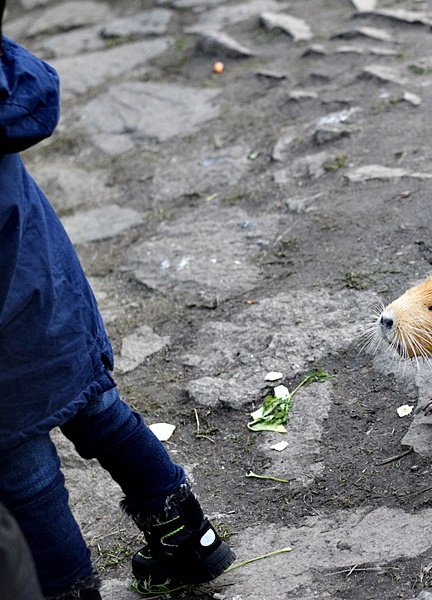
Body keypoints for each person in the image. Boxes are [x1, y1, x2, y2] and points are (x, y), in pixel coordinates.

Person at [0, 4, 235, 599]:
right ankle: (190, 540)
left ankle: (68, 590)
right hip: (50, 297)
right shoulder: (6, 81)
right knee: (102, 412)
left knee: (23, 474)